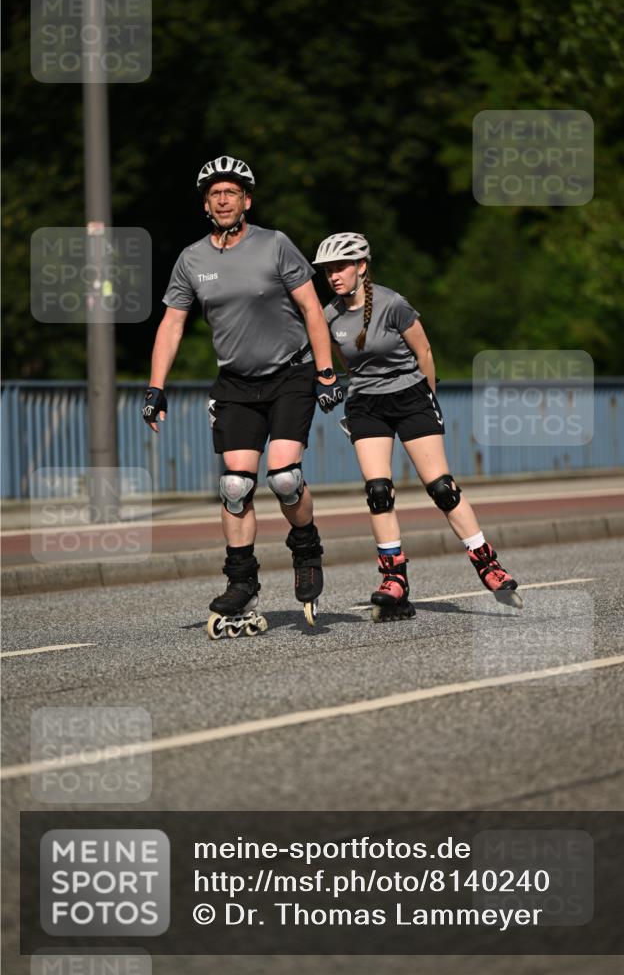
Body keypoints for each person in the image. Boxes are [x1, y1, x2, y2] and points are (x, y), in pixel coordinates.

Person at [142, 156, 343, 636]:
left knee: (286, 477)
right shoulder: (192, 259)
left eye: (232, 192)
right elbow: (172, 324)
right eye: (215, 194)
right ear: (206, 204)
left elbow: (313, 310)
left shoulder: (275, 245)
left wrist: (327, 373)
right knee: (235, 488)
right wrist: (156, 387)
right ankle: (241, 582)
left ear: (247, 200)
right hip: (235, 382)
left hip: (291, 374)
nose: (223, 199)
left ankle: (306, 550)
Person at [313, 231, 522, 622]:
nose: (333, 276)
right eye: (327, 271)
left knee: (441, 487)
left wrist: (428, 398)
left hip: (411, 396)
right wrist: (359, 391)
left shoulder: (392, 304)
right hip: (366, 404)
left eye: (340, 267)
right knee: (378, 491)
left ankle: (486, 563)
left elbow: (423, 351)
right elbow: (347, 363)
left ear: (361, 267)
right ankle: (394, 578)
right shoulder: (329, 316)